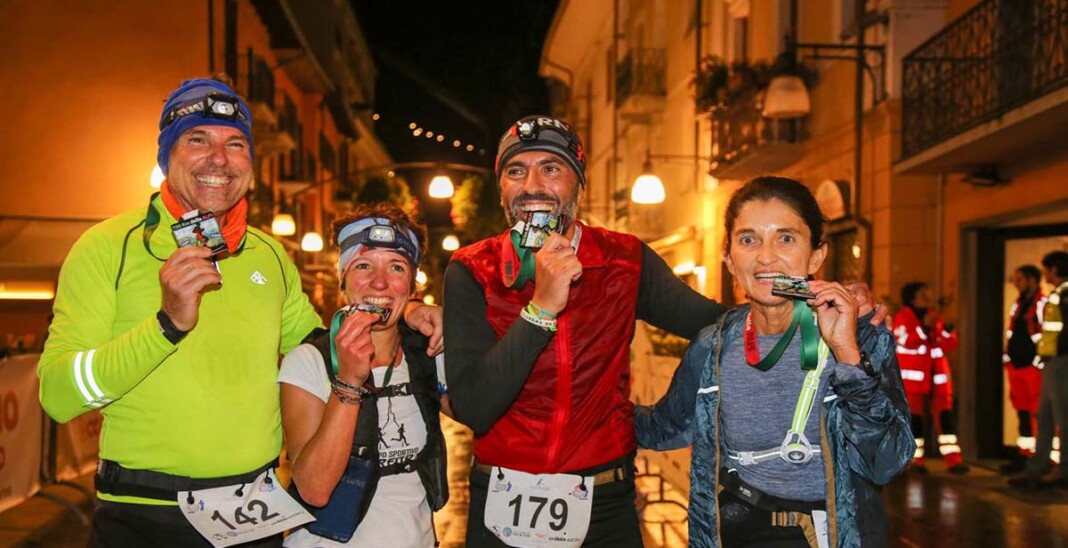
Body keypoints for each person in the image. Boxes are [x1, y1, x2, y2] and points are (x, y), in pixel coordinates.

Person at [443, 116, 885, 547]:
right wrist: (541, 308)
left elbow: (718, 323)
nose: (533, 185)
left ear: (579, 184)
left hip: (605, 498)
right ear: (501, 187)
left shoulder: (623, 259)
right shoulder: (472, 269)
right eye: (516, 171)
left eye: (551, 168)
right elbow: (475, 406)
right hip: (501, 496)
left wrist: (818, 302)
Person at [36, 76, 441, 547]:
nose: (219, 159)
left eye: (235, 144)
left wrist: (401, 309)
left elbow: (324, 347)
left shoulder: (269, 254)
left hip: (253, 519)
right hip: (147, 515)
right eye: (197, 139)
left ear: (250, 163)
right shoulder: (107, 247)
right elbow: (58, 395)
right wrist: (165, 325)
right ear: (166, 155)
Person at [634, 176, 913, 548]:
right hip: (735, 532)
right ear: (730, 259)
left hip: (827, 536)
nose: (765, 257)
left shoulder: (861, 336)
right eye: (748, 240)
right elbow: (663, 428)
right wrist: (579, 400)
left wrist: (847, 356)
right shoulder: (712, 346)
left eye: (786, 239)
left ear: (816, 256)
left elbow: (888, 461)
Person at [279, 203, 448, 547]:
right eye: (363, 265)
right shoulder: (309, 362)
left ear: (411, 285)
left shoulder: (426, 354)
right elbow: (313, 489)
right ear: (342, 279)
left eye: (396, 267)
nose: (379, 282)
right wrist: (349, 382)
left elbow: (481, 414)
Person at [892, 281, 968, 474]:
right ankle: (915, 461)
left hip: (937, 379)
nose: (928, 298)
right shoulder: (903, 318)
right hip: (913, 381)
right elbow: (906, 341)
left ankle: (953, 460)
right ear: (912, 299)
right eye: (923, 295)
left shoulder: (935, 317)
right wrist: (924, 328)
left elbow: (948, 345)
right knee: (914, 421)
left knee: (946, 419)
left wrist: (948, 332)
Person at [1010, 250, 1068, 490]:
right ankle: (1039, 467)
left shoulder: (1063, 294)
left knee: (1061, 416)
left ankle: (1062, 469)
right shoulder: (1058, 294)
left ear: (1054, 269)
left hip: (1060, 361)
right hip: (1051, 361)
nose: (1045, 274)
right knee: (1044, 416)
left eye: (1046, 269)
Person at [1000, 265, 1047, 474]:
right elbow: (1012, 331)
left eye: (1019, 279)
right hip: (1017, 365)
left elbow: (1045, 335)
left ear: (1032, 280)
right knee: (1023, 412)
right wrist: (1007, 356)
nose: (1016, 284)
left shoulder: (1042, 304)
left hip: (1032, 366)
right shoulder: (1019, 304)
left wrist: (1038, 360)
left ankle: (1044, 459)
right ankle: (1025, 455)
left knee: (1039, 413)